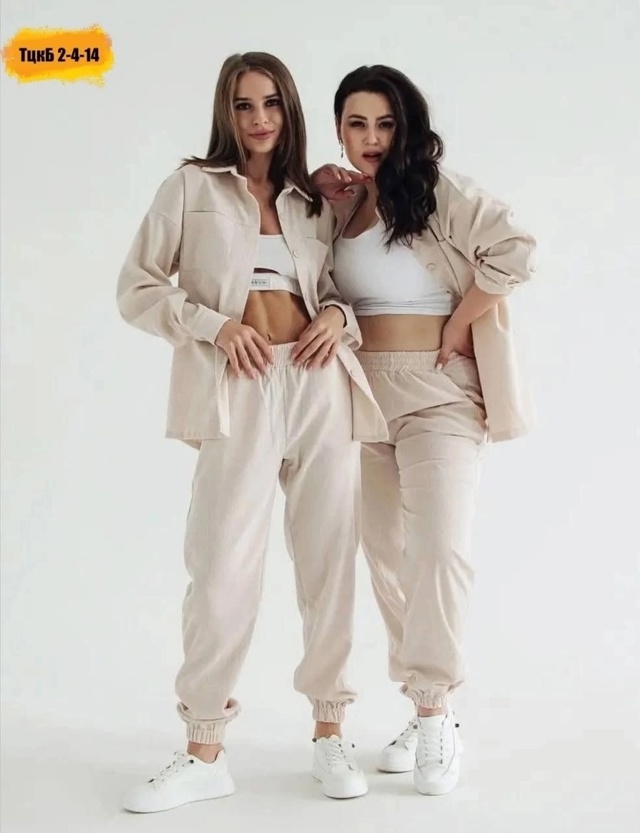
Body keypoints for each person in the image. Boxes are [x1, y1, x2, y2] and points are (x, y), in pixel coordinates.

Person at [116, 52, 388, 813]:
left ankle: (330, 733)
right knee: (221, 565)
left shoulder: (312, 199)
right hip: (237, 384)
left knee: (330, 561)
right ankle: (204, 747)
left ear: (288, 109)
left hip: (320, 381)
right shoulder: (190, 188)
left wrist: (336, 315)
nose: (259, 118)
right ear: (226, 112)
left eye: (270, 103)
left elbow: (338, 287)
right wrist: (214, 326)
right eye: (243, 105)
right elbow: (137, 288)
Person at [312, 64, 537, 796]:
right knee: (387, 555)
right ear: (339, 128)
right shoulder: (341, 204)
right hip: (358, 392)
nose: (371, 137)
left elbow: (516, 249)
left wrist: (460, 323)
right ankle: (419, 700)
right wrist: (316, 190)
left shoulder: (439, 191)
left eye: (385, 123)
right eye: (357, 123)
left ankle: (437, 711)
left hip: (440, 391)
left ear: (406, 126)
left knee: (439, 548)